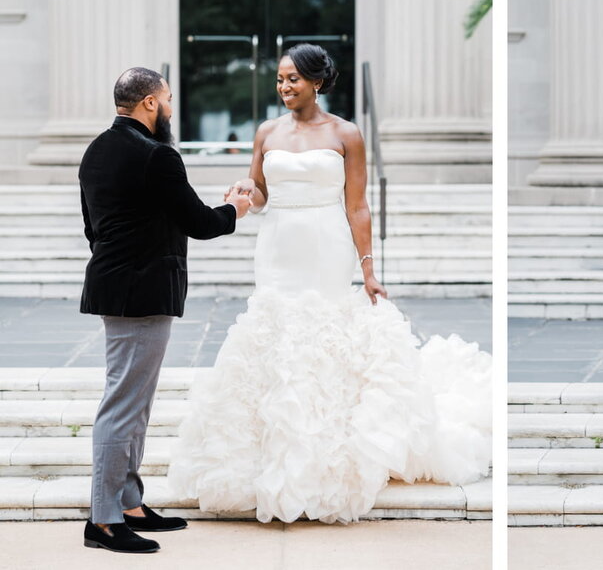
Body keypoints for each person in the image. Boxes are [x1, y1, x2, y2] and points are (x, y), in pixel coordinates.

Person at [168, 43, 491, 523]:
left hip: (326, 243)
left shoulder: (347, 134)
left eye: (293, 79)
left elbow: (357, 205)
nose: (284, 87)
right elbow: (259, 193)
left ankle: (325, 447)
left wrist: (368, 269)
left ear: (317, 81)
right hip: (278, 244)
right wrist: (242, 193)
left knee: (322, 336)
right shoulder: (266, 132)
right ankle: (267, 450)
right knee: (276, 332)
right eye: (279, 79)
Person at [79, 67, 252, 553]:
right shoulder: (158, 155)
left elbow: (93, 227)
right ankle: (104, 520)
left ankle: (129, 503)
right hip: (143, 291)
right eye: (169, 99)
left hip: (115, 285)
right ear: (150, 103)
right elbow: (197, 221)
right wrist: (236, 208)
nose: (172, 109)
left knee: (133, 403)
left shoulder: (95, 151)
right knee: (123, 405)